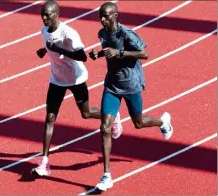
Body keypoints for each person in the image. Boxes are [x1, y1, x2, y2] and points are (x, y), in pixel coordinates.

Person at [31, 0, 122, 177]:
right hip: (56, 78)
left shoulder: (69, 32)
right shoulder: (44, 31)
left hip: (76, 77)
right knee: (50, 117)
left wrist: (57, 48)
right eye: (42, 14)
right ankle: (44, 162)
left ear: (56, 15)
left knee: (86, 113)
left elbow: (82, 56)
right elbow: (50, 45)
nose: (43, 18)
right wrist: (45, 51)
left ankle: (114, 115)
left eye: (47, 15)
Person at [89, 2, 173, 191]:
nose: (103, 19)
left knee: (138, 122)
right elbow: (108, 51)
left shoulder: (127, 34)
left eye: (107, 16)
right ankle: (106, 175)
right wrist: (99, 54)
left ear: (116, 15)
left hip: (131, 84)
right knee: (104, 127)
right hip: (111, 85)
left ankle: (163, 122)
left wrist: (119, 52)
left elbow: (144, 54)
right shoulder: (101, 34)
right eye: (100, 16)